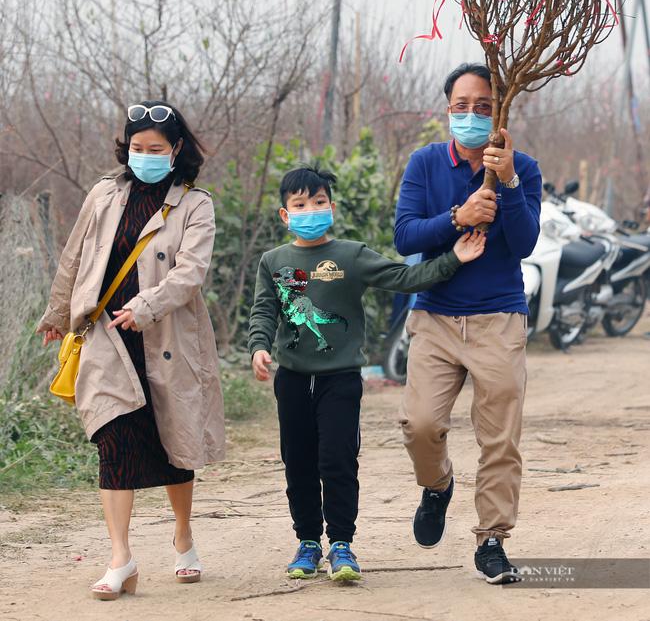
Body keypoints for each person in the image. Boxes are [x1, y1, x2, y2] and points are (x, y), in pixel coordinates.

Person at [248, 165, 486, 583]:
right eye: (300, 205)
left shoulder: (351, 255)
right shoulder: (273, 261)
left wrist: (453, 259)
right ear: (285, 215)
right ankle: (307, 543)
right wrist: (259, 347)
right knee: (298, 462)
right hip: (292, 379)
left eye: (319, 202)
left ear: (332, 208)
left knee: (337, 460)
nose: (311, 210)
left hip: (339, 379)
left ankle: (341, 543)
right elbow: (264, 310)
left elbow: (405, 276)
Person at [37, 102, 225, 600]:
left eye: (155, 149)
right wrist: (58, 313)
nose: (145, 156)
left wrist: (146, 306)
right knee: (112, 439)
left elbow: (191, 272)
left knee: (172, 444)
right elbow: (76, 254)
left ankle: (183, 535)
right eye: (137, 149)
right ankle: (121, 557)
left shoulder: (195, 203)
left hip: (166, 338)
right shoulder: (104, 194)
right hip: (105, 337)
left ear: (176, 149)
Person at [394, 62, 542, 585]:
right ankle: (437, 486)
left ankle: (493, 539)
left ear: (500, 111)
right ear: (447, 109)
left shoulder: (522, 167)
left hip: (498, 318)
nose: (473, 115)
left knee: (500, 436)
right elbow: (405, 236)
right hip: (435, 315)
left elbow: (524, 243)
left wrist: (507, 183)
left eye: (484, 107)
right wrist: (458, 216)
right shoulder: (426, 163)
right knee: (420, 424)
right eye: (462, 106)